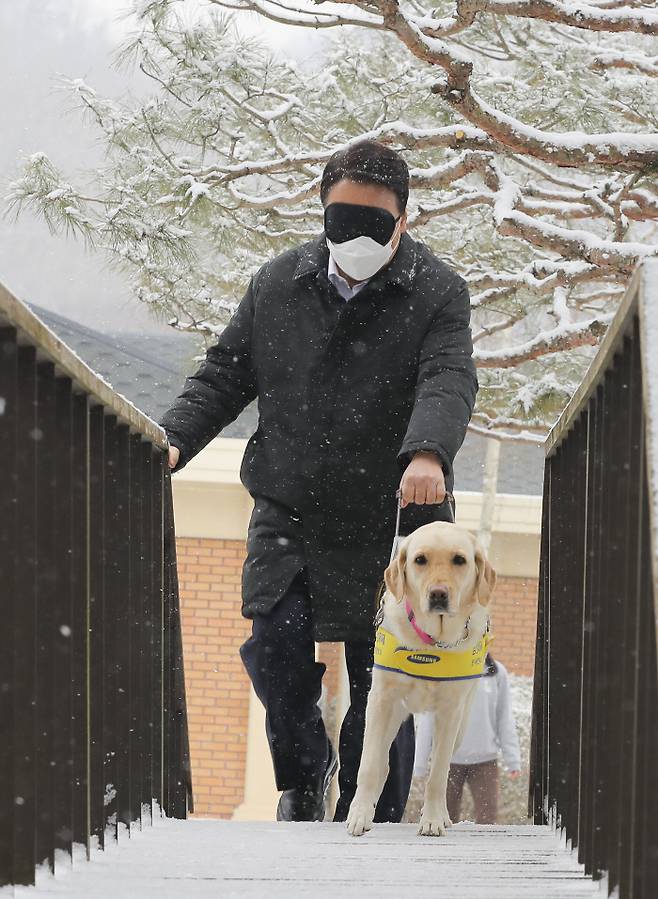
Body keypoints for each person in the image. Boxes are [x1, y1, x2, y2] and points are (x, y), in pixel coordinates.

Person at [159, 139, 478, 823]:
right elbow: (224, 373)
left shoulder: (438, 292)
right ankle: (305, 776)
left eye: (375, 223)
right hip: (290, 505)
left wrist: (426, 451)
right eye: (343, 220)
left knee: (381, 677)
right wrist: (175, 437)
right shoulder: (278, 284)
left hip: (391, 516)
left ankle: (374, 816)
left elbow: (448, 378)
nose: (357, 237)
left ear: (405, 219)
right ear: (321, 211)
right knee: (274, 645)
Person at [412, 653, 521, 825]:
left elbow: (504, 717)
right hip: (446, 762)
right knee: (442, 818)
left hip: (485, 762)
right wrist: (419, 764)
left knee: (488, 820)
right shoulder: (441, 670)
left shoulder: (496, 673)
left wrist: (513, 760)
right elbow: (428, 718)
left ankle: (484, 852)